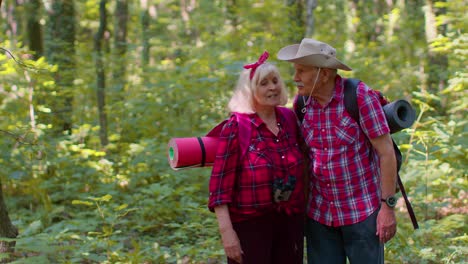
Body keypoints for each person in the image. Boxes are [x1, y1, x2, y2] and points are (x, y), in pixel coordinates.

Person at [277, 38, 397, 264]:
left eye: (302, 71)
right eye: (295, 71)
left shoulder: (359, 97)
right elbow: (303, 157)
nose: (295, 78)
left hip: (361, 213)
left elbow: (386, 152)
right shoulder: (302, 104)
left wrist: (387, 208)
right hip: (319, 215)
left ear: (324, 74)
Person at [208, 51, 306, 264]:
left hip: (289, 223)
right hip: (250, 227)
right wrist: (227, 234)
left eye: (275, 81)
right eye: (263, 83)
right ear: (250, 90)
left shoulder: (289, 118)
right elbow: (219, 188)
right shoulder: (237, 127)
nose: (272, 87)